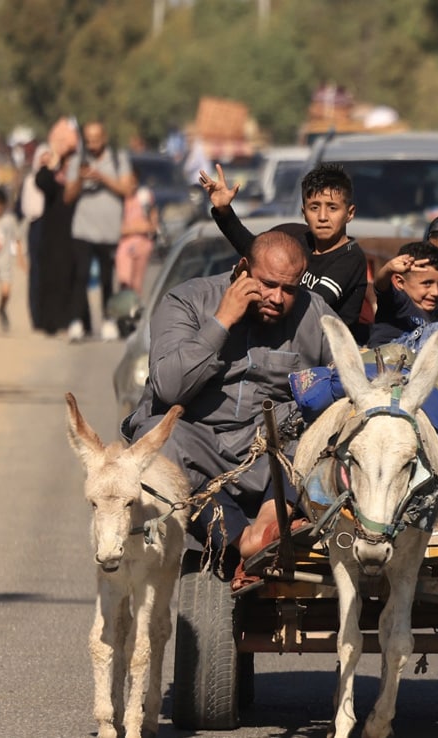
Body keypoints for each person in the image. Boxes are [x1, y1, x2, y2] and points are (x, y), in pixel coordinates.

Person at [122, 230, 335, 562]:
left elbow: (348, 376)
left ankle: (269, 520)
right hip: (199, 444)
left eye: (289, 289)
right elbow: (169, 387)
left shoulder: (315, 314)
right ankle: (242, 539)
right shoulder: (188, 301)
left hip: (273, 452)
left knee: (325, 429)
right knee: (157, 440)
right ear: (243, 269)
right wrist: (222, 321)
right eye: (268, 284)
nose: (278, 298)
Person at [201, 162, 370, 342]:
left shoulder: (351, 256)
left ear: (350, 213)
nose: (322, 217)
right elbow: (255, 252)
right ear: (304, 212)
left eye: (332, 208)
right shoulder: (292, 236)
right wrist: (224, 210)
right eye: (314, 207)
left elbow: (314, 304)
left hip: (325, 354)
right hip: (280, 343)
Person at [66, 121, 132, 342]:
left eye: (96, 139)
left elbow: (127, 188)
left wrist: (102, 177)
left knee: (106, 277)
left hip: (109, 229)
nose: (92, 144)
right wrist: (81, 178)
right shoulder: (78, 161)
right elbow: (68, 197)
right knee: (81, 274)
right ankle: (76, 321)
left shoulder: (117, 159)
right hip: (82, 228)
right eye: (88, 139)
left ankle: (108, 321)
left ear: (104, 138)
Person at [34, 141, 79, 336]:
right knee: (51, 279)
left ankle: (71, 321)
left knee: (73, 279)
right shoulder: (52, 179)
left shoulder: (79, 182)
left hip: (76, 236)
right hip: (53, 237)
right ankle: (50, 322)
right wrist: (52, 164)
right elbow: (41, 181)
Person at [368, 241, 438, 348]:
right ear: (400, 282)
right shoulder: (399, 302)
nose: (436, 292)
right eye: (427, 283)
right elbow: (380, 286)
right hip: (383, 359)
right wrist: (388, 269)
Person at [114, 163, 157, 298]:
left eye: (133, 181)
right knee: (125, 280)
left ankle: (133, 310)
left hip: (143, 244)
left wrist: (150, 227)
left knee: (137, 284)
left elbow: (153, 221)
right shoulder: (117, 199)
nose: (130, 185)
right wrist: (135, 228)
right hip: (124, 244)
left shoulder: (144, 197)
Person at [0, 188, 24, 332]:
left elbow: (18, 238)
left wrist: (20, 258)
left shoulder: (10, 219)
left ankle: (1, 309)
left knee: (6, 291)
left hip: (5, 261)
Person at [19, 148, 48, 330]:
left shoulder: (59, 180)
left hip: (54, 228)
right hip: (36, 226)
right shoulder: (30, 181)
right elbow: (26, 208)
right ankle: (37, 317)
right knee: (36, 274)